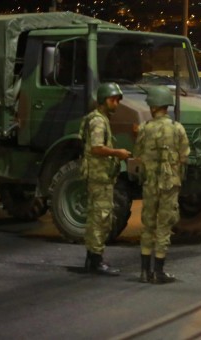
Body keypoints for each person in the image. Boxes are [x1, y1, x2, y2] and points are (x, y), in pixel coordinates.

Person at [134, 86, 189, 284]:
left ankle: (143, 271)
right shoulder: (177, 128)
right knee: (164, 226)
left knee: (148, 224)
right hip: (169, 184)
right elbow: (184, 156)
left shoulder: (144, 128)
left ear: (154, 107)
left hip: (150, 184)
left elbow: (137, 155)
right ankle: (158, 272)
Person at [79, 82, 132, 275]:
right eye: (113, 99)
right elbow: (96, 148)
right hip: (98, 176)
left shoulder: (100, 119)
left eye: (118, 100)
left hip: (101, 176)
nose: (116, 103)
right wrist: (117, 152)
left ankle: (93, 259)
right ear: (103, 100)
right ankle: (95, 260)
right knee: (100, 218)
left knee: (100, 217)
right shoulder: (98, 121)